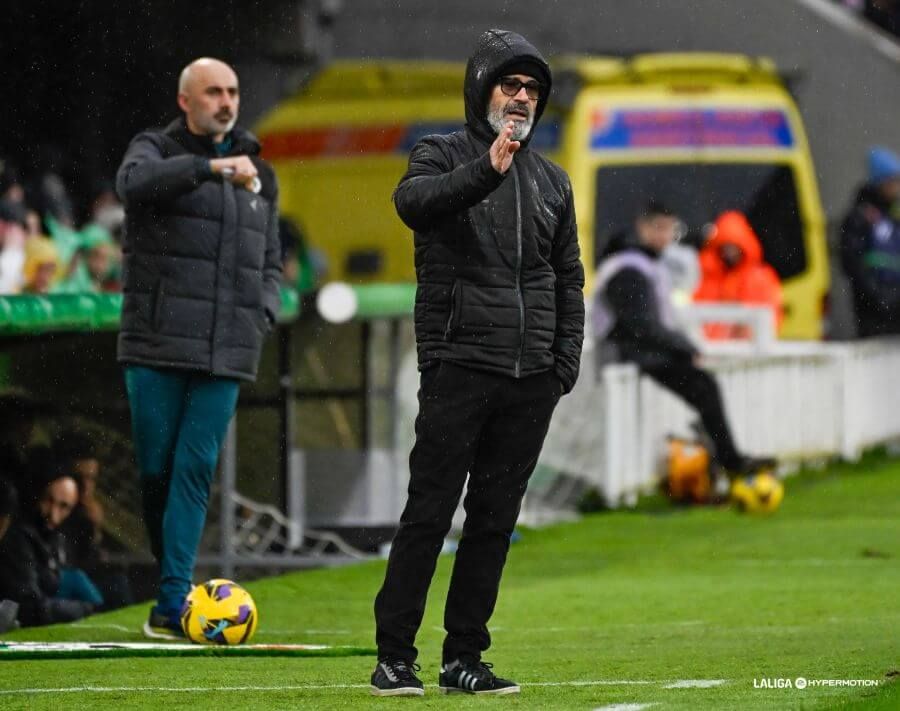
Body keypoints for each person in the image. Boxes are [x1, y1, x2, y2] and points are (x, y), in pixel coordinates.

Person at [371, 29, 584, 697]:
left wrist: (562, 364)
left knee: (493, 521)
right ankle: (393, 656)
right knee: (430, 512)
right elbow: (413, 206)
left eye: (532, 91)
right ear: (481, 89)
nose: (522, 98)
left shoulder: (553, 180)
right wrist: (486, 169)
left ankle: (464, 657)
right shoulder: (439, 154)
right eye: (510, 85)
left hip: (530, 377)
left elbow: (568, 276)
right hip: (459, 363)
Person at [115, 57, 282, 638]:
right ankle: (173, 589)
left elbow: (270, 258)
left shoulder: (262, 172)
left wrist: (265, 307)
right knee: (156, 472)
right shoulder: (154, 150)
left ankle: (171, 604)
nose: (227, 101)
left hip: (228, 345)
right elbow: (131, 188)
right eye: (214, 92)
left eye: (233, 91)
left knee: (193, 468)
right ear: (186, 101)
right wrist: (210, 169)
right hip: (158, 341)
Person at [594, 200, 773, 477]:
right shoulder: (630, 268)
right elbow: (641, 325)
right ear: (641, 226)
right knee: (703, 387)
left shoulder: (641, 262)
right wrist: (684, 347)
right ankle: (728, 459)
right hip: (625, 356)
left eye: (669, 229)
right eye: (658, 228)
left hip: (635, 352)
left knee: (703, 388)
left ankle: (722, 457)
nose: (664, 236)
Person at [0, 450, 99, 627]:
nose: (53, 515)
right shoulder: (19, 536)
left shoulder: (60, 536)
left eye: (64, 507)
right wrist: (82, 609)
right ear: (37, 494)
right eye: (48, 500)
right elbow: (29, 607)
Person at [694, 210, 783, 340]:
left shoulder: (759, 277)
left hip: (748, 347)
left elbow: (771, 312)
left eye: (733, 247)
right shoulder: (707, 275)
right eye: (725, 247)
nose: (729, 253)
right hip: (712, 347)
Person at [840, 146, 900, 338]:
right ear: (881, 183)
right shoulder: (860, 217)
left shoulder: (894, 216)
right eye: (894, 181)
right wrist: (878, 296)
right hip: (873, 314)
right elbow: (851, 261)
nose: (898, 187)